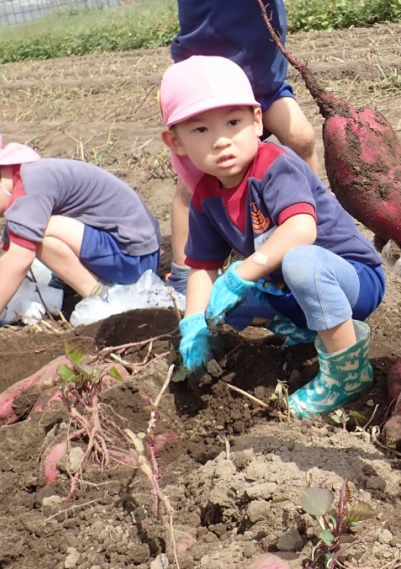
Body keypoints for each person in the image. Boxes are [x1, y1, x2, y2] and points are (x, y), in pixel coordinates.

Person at [167, 0, 394, 296]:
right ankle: (182, 273)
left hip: (260, 81)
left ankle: (310, 227)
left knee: (302, 138)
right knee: (196, 185)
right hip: (212, 91)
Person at [158, 55, 387, 418]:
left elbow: (301, 229)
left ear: (257, 121)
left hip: (350, 280)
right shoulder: (205, 194)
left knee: (297, 261)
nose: (221, 141)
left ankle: (348, 374)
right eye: (200, 130)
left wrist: (242, 273)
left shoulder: (274, 164)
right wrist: (194, 324)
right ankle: (301, 329)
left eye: (232, 123)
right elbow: (203, 267)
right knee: (222, 304)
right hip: (290, 288)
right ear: (176, 142)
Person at [0, 122, 161, 336]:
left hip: (132, 259)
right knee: (26, 237)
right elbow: (8, 254)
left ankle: (100, 295)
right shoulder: (25, 178)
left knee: (36, 238)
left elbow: (17, 258)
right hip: (128, 248)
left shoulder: (31, 188)